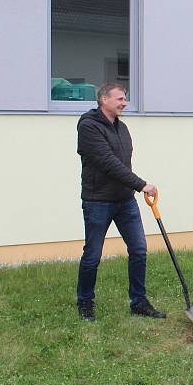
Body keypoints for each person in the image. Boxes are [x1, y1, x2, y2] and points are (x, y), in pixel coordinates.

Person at [76, 83, 166, 321]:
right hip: (98, 201)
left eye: (125, 99)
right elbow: (108, 163)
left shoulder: (122, 128)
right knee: (93, 255)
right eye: (119, 99)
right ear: (103, 100)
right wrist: (141, 184)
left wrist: (133, 187)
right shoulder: (88, 127)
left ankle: (138, 302)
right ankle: (85, 302)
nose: (124, 103)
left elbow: (124, 164)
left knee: (139, 250)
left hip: (125, 201)